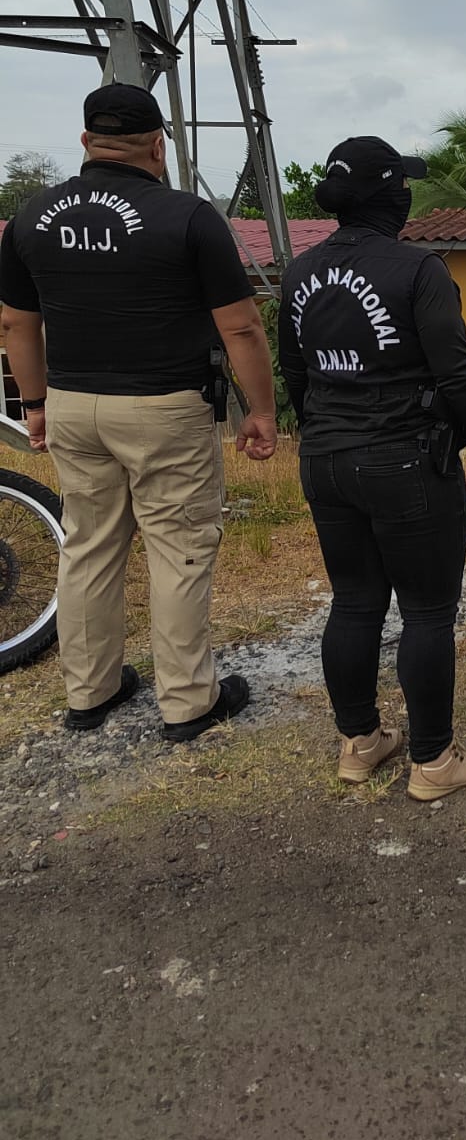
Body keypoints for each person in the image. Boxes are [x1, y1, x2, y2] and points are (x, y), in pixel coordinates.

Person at [0, 84, 277, 741]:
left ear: (86, 141)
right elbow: (240, 327)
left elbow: (14, 322)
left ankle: (89, 693)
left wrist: (34, 403)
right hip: (164, 408)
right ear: (157, 145)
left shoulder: (33, 216)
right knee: (178, 549)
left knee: (89, 546)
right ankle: (187, 702)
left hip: (71, 403)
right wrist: (261, 410)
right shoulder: (189, 217)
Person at [277, 136, 466, 796]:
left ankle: (359, 745)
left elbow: (295, 373)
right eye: (403, 185)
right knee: (427, 611)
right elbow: (457, 372)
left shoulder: (300, 273)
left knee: (354, 602)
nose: (410, 195)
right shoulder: (419, 269)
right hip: (406, 461)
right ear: (390, 194)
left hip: (325, 460)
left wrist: (326, 431)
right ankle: (433, 762)